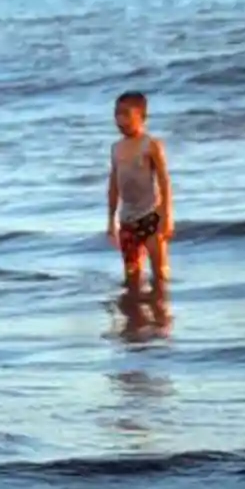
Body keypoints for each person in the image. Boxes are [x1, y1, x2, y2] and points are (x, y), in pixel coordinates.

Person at [106, 91, 174, 334]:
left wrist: (166, 216)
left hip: (150, 216)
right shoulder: (116, 148)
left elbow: (165, 182)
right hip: (127, 219)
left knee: (159, 272)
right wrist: (110, 220)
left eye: (125, 114)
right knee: (132, 274)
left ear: (141, 116)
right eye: (116, 114)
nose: (119, 119)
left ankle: (161, 321)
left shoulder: (151, 144)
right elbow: (113, 185)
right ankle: (134, 322)